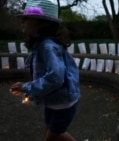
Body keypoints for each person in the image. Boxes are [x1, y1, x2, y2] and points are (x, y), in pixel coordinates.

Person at [10, 0, 80, 141]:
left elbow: (56, 77)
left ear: (40, 24)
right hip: (53, 100)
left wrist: (27, 87)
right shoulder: (42, 45)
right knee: (48, 129)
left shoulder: (47, 47)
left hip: (62, 102)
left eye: (26, 19)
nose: (22, 23)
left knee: (55, 135)